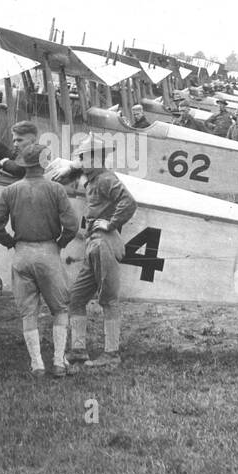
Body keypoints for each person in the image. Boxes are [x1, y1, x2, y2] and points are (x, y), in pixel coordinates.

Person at [0, 142, 79, 378]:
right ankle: (58, 362)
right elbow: (72, 225)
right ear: (44, 163)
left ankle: (36, 364)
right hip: (48, 252)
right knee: (60, 308)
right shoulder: (56, 189)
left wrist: (10, 242)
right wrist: (60, 242)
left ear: (24, 165)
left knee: (28, 313)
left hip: (22, 254)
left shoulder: (10, 191)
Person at [68, 136, 138, 370]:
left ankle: (112, 354)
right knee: (76, 298)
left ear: (96, 157)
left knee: (108, 299)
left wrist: (110, 223)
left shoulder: (107, 178)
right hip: (92, 245)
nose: (80, 161)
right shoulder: (92, 179)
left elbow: (128, 201)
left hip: (104, 243)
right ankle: (78, 350)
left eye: (83, 157)